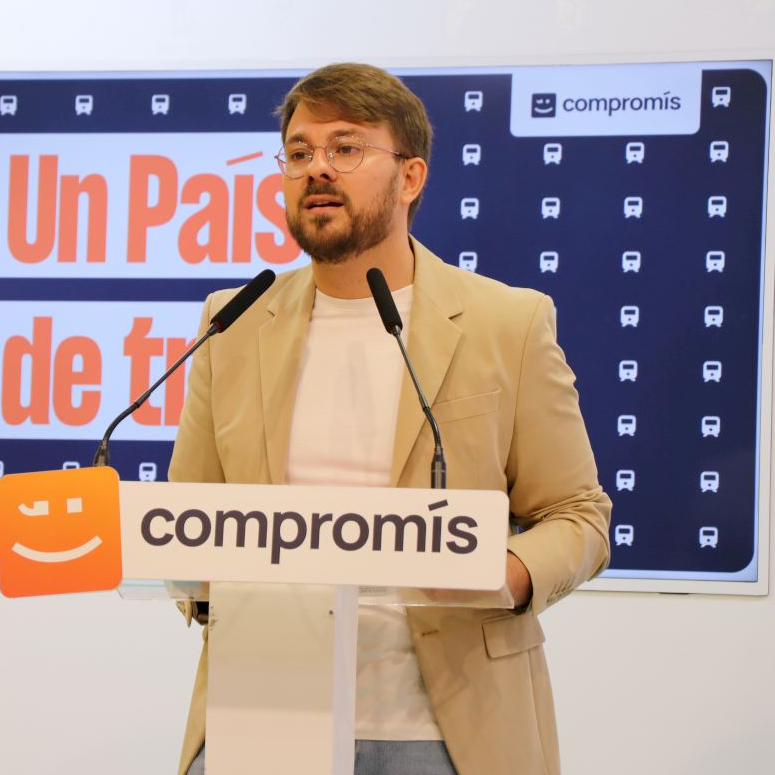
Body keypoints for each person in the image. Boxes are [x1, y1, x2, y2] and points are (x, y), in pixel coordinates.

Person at [168, 63, 611, 775]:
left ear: (410, 177)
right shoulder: (234, 322)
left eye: (346, 147)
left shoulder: (507, 322)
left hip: (444, 729)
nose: (317, 168)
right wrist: (191, 575)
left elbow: (579, 515)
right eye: (300, 151)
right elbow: (188, 510)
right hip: (264, 708)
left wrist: (505, 573)